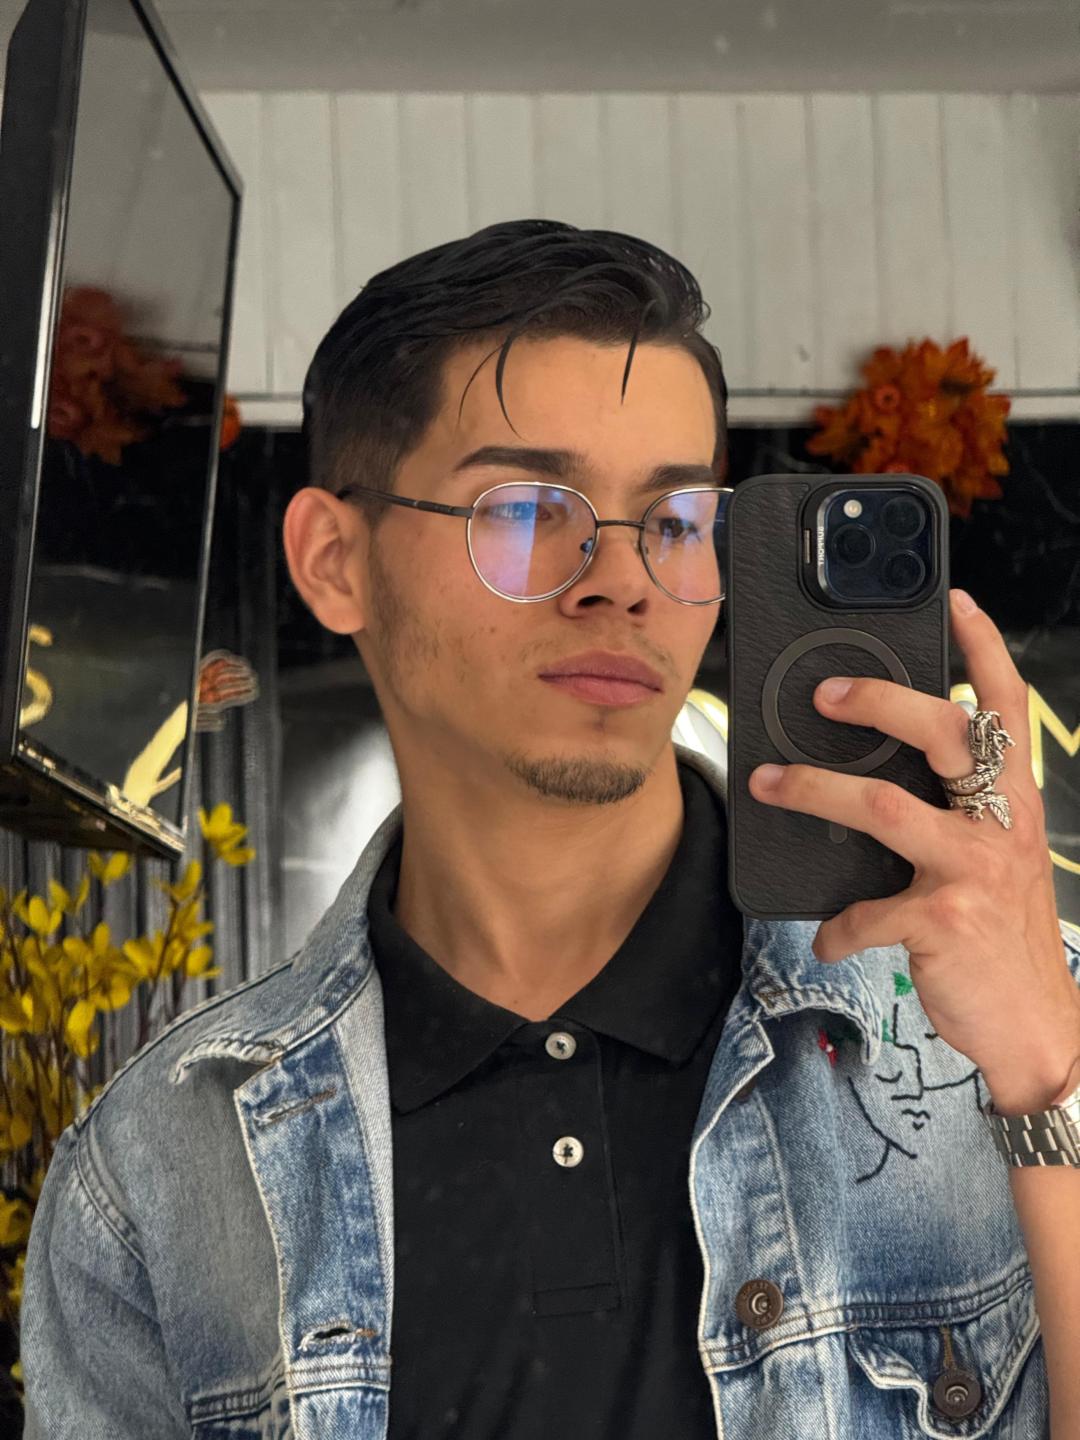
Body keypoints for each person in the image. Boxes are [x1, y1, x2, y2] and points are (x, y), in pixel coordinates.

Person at [20, 220, 1080, 1438]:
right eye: (525, 509)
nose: (621, 579)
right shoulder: (157, 1170)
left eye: (675, 520)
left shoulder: (1017, 1034)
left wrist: (1049, 1079)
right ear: (334, 559)